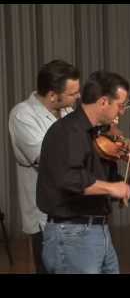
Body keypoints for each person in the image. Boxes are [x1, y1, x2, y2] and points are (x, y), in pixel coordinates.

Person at [37, 70, 130, 274]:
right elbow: (71, 180)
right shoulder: (68, 131)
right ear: (103, 102)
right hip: (71, 233)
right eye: (120, 106)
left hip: (98, 231)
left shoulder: (99, 136)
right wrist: (112, 188)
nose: (122, 113)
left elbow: (115, 187)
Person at [8, 59, 81, 273]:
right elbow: (49, 160)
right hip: (46, 216)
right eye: (72, 93)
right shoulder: (22, 115)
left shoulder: (68, 112)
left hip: (76, 210)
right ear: (52, 95)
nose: (78, 97)